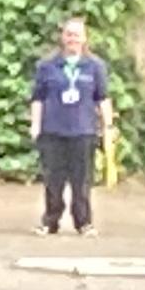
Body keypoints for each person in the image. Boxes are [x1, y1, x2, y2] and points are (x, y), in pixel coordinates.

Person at [29, 16, 111, 237]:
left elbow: (102, 98)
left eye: (77, 35)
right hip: (53, 131)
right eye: (69, 34)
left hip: (83, 132)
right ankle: (50, 221)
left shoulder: (95, 66)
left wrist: (108, 126)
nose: (72, 39)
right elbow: (37, 98)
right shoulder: (47, 66)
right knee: (52, 180)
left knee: (81, 181)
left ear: (84, 38)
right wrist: (35, 125)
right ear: (62, 37)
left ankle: (83, 223)